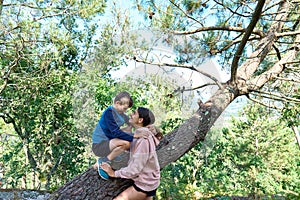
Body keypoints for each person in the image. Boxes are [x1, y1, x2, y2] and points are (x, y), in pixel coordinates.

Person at [101, 107, 162, 200]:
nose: (130, 114)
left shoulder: (143, 140)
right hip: (151, 181)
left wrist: (114, 173)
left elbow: (135, 169)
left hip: (145, 185)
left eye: (134, 113)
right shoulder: (144, 133)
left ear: (140, 120)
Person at [92, 92, 148, 180]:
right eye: (124, 108)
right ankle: (103, 160)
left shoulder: (121, 114)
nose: (125, 111)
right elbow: (116, 133)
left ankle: (114, 153)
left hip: (110, 141)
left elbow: (131, 123)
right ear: (117, 103)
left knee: (128, 130)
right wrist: (135, 136)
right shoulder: (109, 113)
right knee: (126, 143)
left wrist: (145, 128)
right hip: (99, 146)